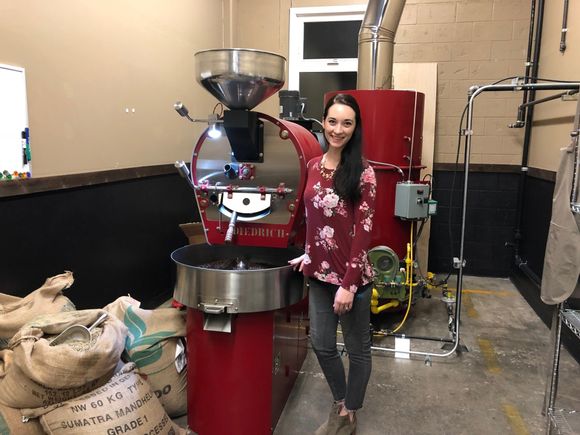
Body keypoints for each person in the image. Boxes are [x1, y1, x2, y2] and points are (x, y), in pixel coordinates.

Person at [289, 93, 376, 435]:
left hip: (352, 280)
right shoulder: (313, 165)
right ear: (323, 123)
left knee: (357, 350)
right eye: (333, 121)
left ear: (355, 128)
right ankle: (343, 401)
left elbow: (363, 231)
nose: (338, 129)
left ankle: (349, 413)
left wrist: (349, 285)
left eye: (347, 123)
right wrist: (310, 253)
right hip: (320, 274)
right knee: (322, 344)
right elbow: (313, 217)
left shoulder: (363, 173)